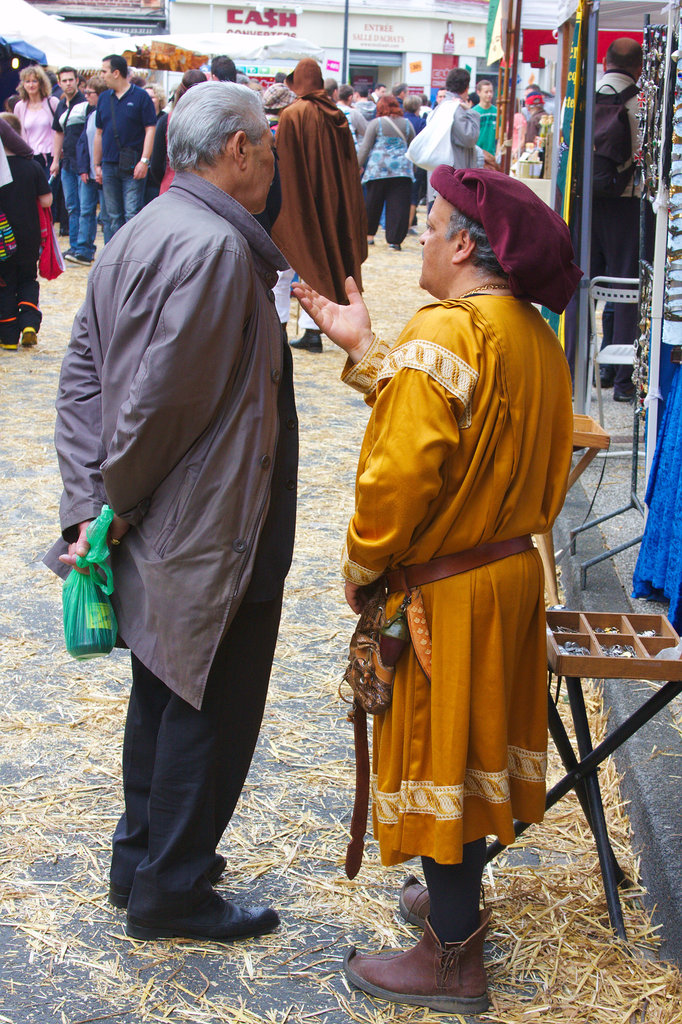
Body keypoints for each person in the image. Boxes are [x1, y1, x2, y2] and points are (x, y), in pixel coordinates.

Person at [293, 166, 581, 1013]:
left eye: (432, 223)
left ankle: (451, 957)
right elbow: (466, 425)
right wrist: (365, 352)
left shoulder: (449, 332)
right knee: (476, 751)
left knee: (440, 755)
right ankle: (452, 907)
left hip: (448, 590)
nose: (420, 235)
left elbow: (399, 480)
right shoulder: (530, 334)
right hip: (505, 576)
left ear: (464, 244)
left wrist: (361, 564)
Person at [44, 81, 296, 943]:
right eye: (267, 143)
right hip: (208, 523)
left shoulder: (146, 227)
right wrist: (101, 506)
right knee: (207, 704)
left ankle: (143, 861)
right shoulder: (219, 249)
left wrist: (92, 502)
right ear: (236, 151)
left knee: (163, 689)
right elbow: (159, 406)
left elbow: (82, 373)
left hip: (171, 519)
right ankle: (172, 889)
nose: (273, 156)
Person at [272, 58, 367, 353]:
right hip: (331, 198)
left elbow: (284, 164)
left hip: (298, 199)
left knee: (284, 265)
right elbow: (349, 163)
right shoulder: (336, 114)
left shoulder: (293, 114)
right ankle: (314, 331)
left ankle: (278, 326)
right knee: (320, 261)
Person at [592, 38, 643, 401]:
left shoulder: (582, 98)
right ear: (639, 67)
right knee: (624, 290)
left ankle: (581, 372)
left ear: (605, 60)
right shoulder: (641, 102)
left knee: (584, 288)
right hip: (626, 203)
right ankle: (623, 379)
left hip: (586, 203)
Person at [0, 115, 53, 350]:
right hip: (29, 234)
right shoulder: (32, 166)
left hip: (3, 238)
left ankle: (9, 337)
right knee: (28, 278)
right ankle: (30, 323)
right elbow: (47, 200)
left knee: (5, 283)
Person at [93, 54, 156, 238]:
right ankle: (112, 258)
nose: (101, 75)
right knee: (112, 216)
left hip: (133, 164)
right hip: (109, 164)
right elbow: (99, 133)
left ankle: (131, 257)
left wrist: (144, 160)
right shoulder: (104, 98)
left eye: (104, 71)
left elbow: (150, 129)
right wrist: (96, 164)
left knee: (132, 214)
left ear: (116, 73)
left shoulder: (141, 96)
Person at [357, 94, 415, 251]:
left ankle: (369, 236)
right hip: (402, 170)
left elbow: (365, 148)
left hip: (378, 170)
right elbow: (413, 147)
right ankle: (394, 241)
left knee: (372, 203)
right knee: (398, 206)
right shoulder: (407, 124)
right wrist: (413, 169)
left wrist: (357, 166)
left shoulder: (376, 123)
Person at [69, 75, 108, 264]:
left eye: (89, 93)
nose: (86, 97)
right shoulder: (91, 114)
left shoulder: (106, 113)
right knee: (86, 210)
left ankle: (110, 251)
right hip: (89, 171)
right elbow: (83, 142)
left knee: (108, 215)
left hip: (104, 171)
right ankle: (84, 249)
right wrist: (84, 168)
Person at [50, 67, 86, 258]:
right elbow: (58, 132)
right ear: (59, 83)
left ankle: (82, 246)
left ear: (77, 81)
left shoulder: (85, 103)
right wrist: (55, 159)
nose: (68, 83)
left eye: (70, 80)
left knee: (84, 205)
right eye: (64, 81)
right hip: (67, 162)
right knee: (71, 205)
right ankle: (74, 245)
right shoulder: (61, 105)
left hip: (82, 161)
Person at [14, 65, 58, 175]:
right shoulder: (19, 107)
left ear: (41, 83)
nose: (31, 85)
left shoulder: (52, 102)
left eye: (34, 81)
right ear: (23, 84)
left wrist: (57, 158)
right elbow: (17, 134)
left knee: (50, 190)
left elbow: (60, 130)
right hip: (30, 157)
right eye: (27, 81)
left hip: (50, 155)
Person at [338, 84, 367, 148]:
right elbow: (365, 131)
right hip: (349, 148)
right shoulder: (353, 112)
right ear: (350, 97)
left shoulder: (331, 109)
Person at [473, 80, 497, 156]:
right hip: (477, 154)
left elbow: (500, 134)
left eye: (491, 91)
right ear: (478, 92)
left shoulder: (497, 111)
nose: (489, 94)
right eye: (486, 92)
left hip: (492, 154)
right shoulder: (474, 112)